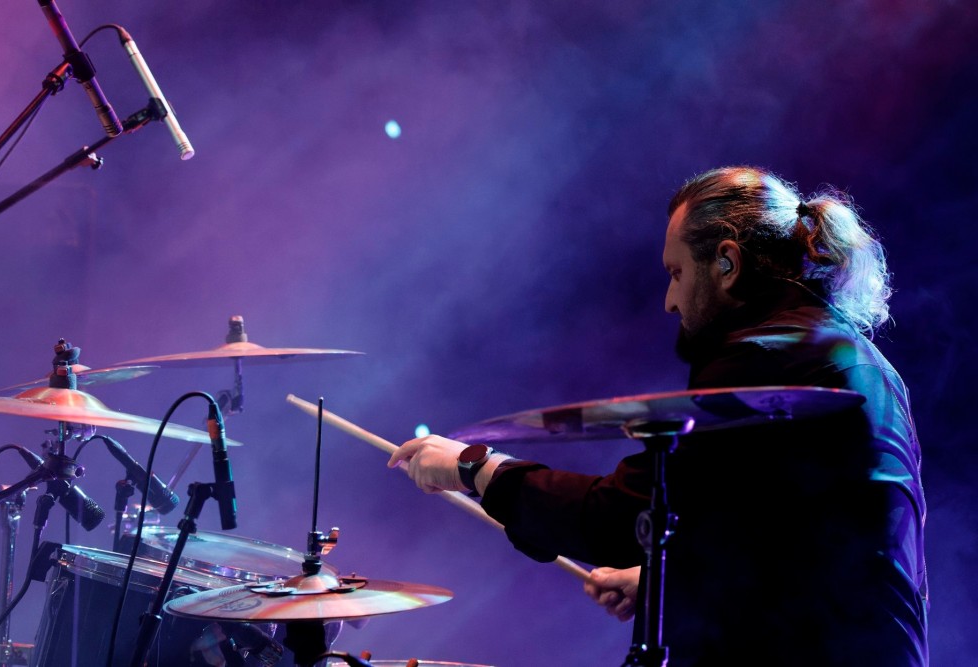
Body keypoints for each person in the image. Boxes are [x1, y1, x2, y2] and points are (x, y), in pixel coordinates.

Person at [390, 166, 928, 666]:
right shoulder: (860, 358)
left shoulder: (763, 360)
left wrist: (476, 467)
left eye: (676, 273)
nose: (670, 301)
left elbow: (622, 517)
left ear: (726, 263)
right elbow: (781, 537)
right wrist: (666, 583)